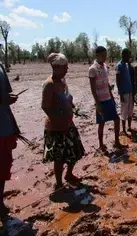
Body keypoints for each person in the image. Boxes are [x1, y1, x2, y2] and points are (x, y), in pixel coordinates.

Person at [42, 53, 85, 190]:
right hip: (56, 128)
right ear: (56, 67)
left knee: (76, 150)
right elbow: (45, 106)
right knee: (59, 157)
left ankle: (69, 174)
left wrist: (74, 107)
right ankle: (59, 183)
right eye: (65, 67)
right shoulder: (49, 84)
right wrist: (58, 122)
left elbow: (67, 98)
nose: (67, 69)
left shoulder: (63, 81)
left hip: (68, 124)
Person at [89, 46, 123, 151]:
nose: (105, 57)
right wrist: (97, 104)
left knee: (117, 120)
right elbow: (93, 89)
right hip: (101, 101)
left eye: (105, 55)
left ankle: (117, 142)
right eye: (103, 55)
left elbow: (107, 83)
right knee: (101, 124)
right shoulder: (92, 69)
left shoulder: (104, 66)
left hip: (108, 98)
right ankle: (101, 145)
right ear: (97, 55)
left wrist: (112, 96)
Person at [0, 62, 19, 219]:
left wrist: (14, 125)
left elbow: (6, 98)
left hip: (4, 126)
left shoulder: (0, 66)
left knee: (4, 166)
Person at [115, 48, 136, 135]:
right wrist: (120, 93)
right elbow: (118, 81)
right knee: (124, 111)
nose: (129, 57)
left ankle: (129, 127)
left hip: (130, 91)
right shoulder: (119, 65)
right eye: (128, 55)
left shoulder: (127, 65)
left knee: (130, 110)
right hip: (124, 92)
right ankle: (123, 129)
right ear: (124, 55)